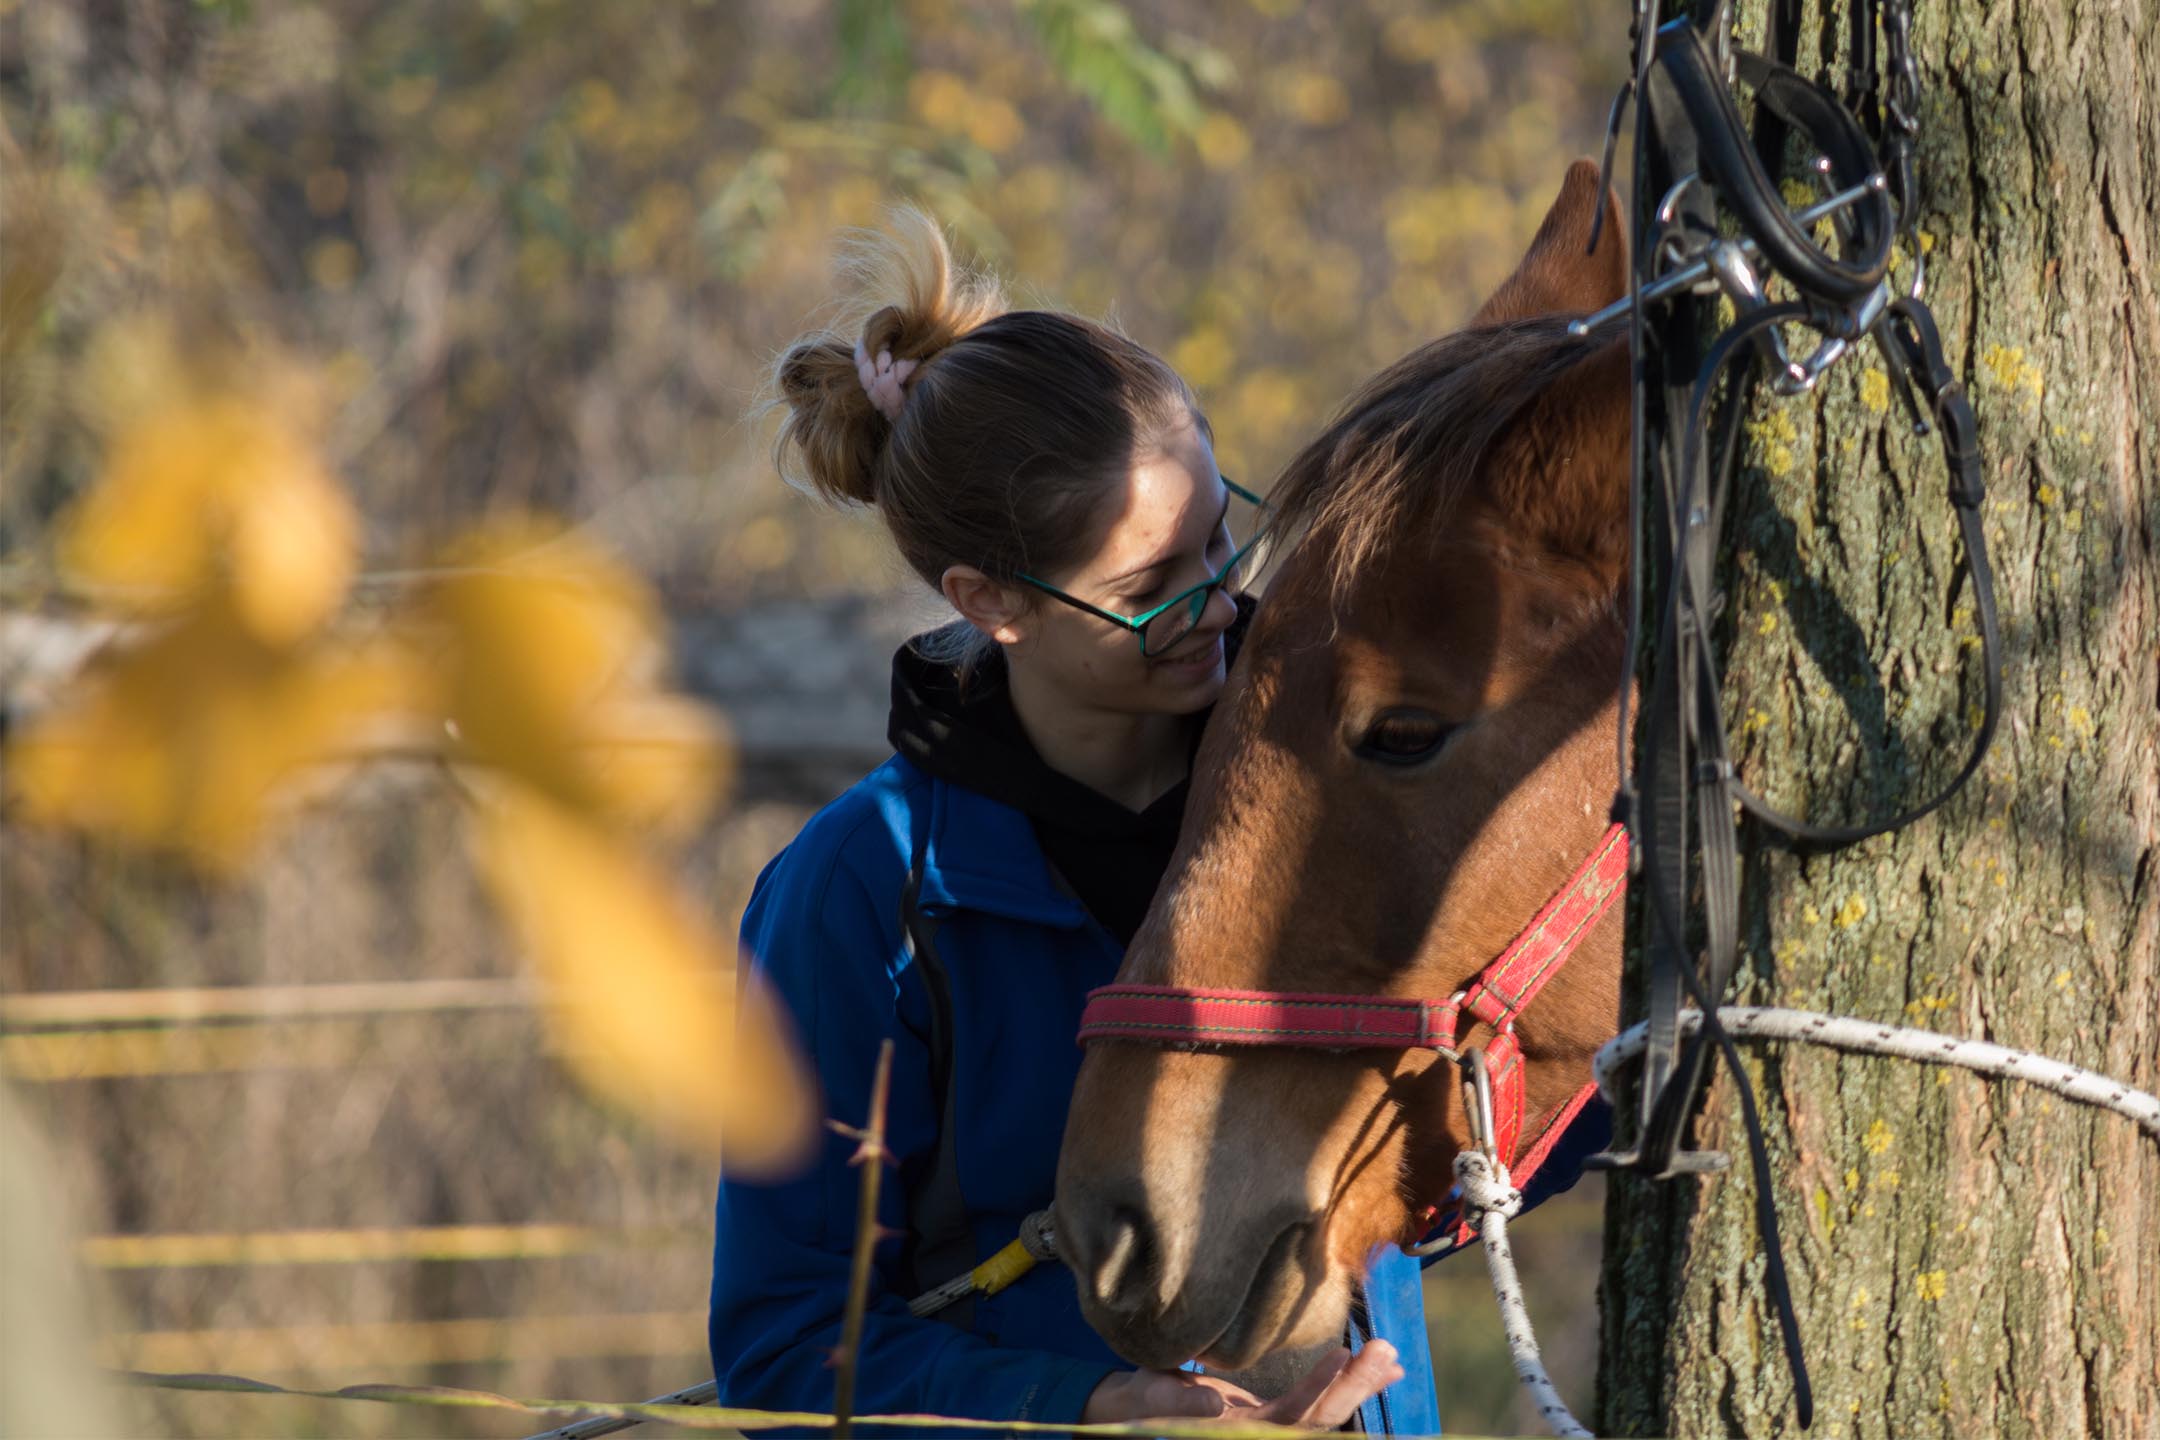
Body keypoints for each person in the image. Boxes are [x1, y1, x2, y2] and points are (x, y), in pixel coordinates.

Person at [705, 210, 1429, 1433]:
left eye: (1220, 539)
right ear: (990, 603)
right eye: (1150, 589)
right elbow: (785, 1346)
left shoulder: (1350, 783)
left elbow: (1507, 1135)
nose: (1215, 604)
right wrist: (1086, 1407)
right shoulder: (859, 894)